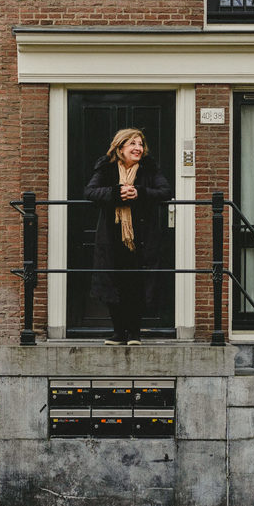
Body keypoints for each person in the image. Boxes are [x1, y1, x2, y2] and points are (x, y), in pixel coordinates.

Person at [84, 127, 172, 346]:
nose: (138, 148)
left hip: (141, 238)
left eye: (140, 144)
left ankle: (134, 333)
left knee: (136, 284)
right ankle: (118, 333)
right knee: (114, 283)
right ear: (120, 147)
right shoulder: (107, 169)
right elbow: (90, 192)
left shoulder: (149, 170)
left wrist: (139, 192)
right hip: (112, 239)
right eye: (132, 143)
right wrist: (115, 193)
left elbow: (165, 192)